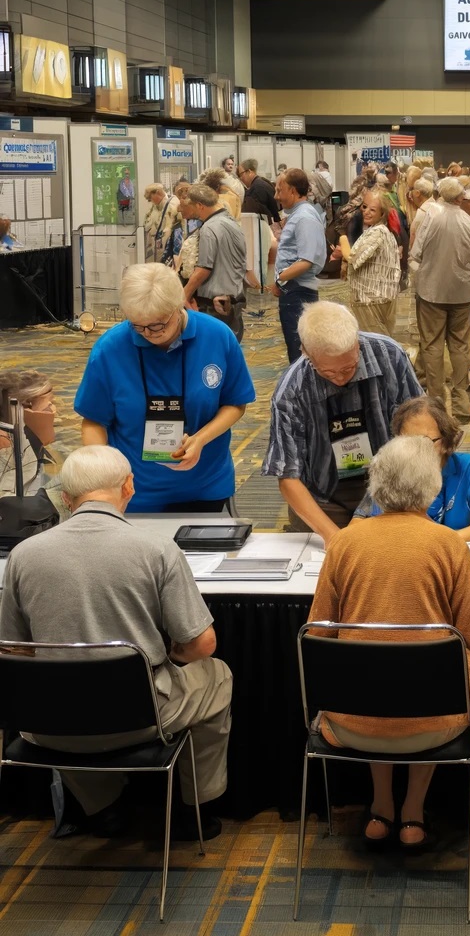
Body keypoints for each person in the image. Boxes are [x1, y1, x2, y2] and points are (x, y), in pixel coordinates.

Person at [0, 445, 232, 839]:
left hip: (48, 724)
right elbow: (201, 645)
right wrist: (170, 659)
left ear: (68, 499)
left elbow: (13, 649)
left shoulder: (23, 555)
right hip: (141, 719)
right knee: (218, 675)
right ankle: (196, 808)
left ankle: (102, 806)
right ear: (129, 486)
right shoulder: (157, 550)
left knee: (57, 688)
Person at [306, 435, 470, 848]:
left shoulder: (343, 544)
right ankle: (412, 812)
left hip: (352, 724)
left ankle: (381, 806)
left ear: (376, 485)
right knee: (438, 677)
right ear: (431, 489)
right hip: (434, 726)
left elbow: (316, 635)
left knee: (373, 679)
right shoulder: (449, 545)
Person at [75, 263, 255, 514]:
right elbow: (93, 421)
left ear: (178, 307)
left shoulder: (217, 337)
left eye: (158, 325)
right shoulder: (110, 349)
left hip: (205, 486)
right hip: (134, 494)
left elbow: (235, 403)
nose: (149, 333)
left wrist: (200, 440)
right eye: (138, 325)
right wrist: (107, 479)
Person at [262, 301, 421, 541]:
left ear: (356, 342)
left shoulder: (390, 355)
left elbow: (420, 427)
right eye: (328, 373)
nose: (340, 378)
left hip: (392, 487)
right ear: (306, 351)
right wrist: (332, 537)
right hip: (322, 498)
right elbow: (287, 476)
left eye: (348, 368)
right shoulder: (291, 391)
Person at [408, 177, 470, 422]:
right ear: (460, 198)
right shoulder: (469, 223)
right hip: (461, 292)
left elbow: (416, 253)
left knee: (432, 345)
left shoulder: (430, 218)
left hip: (431, 291)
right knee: (461, 346)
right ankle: (461, 402)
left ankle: (436, 403)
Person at [353, 396, 470, 541]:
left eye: (426, 441)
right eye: (408, 441)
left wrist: (438, 542)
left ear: (446, 441)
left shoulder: (469, 467)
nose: (417, 450)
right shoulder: (391, 470)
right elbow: (357, 524)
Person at [180, 184, 248, 341]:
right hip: (233, 300)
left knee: (212, 355)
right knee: (229, 349)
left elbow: (204, 268)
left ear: (200, 205)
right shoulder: (231, 222)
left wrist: (184, 295)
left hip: (214, 306)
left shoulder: (209, 229)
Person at [273, 168, 328, 363]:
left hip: (298, 292)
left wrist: (280, 279)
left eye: (280, 190)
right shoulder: (299, 215)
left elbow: (306, 260)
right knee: (297, 350)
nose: (276, 196)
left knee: (300, 354)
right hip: (295, 290)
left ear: (294, 191)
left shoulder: (304, 217)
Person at [330, 190, 401, 337]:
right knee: (379, 342)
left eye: (372, 209)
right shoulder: (376, 230)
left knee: (375, 345)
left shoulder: (378, 232)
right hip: (376, 298)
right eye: (364, 207)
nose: (366, 212)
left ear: (382, 214)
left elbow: (352, 258)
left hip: (372, 300)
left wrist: (342, 238)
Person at [0, 369, 57, 497]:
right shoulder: (7, 449)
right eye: (50, 403)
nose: (53, 410)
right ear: (26, 407)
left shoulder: (30, 447)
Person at [142, 184, 179, 264]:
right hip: (155, 247)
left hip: (166, 248)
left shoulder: (172, 204)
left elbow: (169, 228)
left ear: (158, 192)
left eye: (150, 198)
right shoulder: (154, 207)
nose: (150, 201)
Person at [238, 158, 281, 223]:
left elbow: (261, 214)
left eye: (241, 174)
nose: (240, 178)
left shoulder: (257, 188)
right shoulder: (261, 182)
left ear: (249, 172)